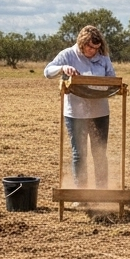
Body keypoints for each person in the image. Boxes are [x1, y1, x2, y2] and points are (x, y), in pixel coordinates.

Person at [44, 26, 116, 190]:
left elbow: (112, 79)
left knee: (99, 153)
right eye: (90, 47)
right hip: (76, 113)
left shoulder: (103, 58)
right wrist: (63, 68)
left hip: (100, 112)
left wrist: (108, 84)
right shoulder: (68, 54)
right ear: (82, 42)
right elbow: (47, 71)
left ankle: (102, 191)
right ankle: (81, 192)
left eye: (96, 48)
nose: (93, 51)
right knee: (79, 154)